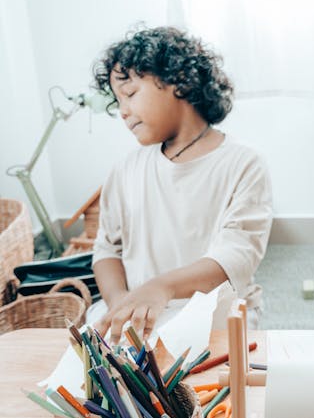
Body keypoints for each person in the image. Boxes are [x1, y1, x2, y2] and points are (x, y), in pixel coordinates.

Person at [88, 26, 273, 342]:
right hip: (140, 315)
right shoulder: (127, 169)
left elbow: (236, 255)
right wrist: (121, 301)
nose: (123, 111)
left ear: (180, 82)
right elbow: (107, 248)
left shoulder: (243, 162)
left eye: (131, 94)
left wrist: (161, 287)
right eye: (117, 101)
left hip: (214, 313)